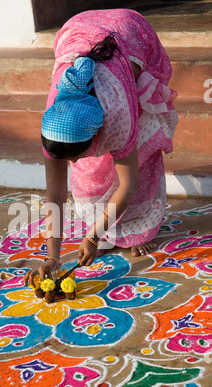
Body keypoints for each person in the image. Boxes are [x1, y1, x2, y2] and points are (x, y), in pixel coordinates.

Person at [24, 9, 178, 286]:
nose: (72, 163)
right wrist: (52, 257)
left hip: (130, 34)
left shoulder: (118, 113)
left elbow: (128, 184)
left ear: (97, 135)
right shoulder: (54, 124)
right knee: (89, 173)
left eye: (77, 156)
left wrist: (92, 237)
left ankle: (137, 229)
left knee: (139, 153)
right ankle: (109, 230)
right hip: (78, 31)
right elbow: (56, 193)